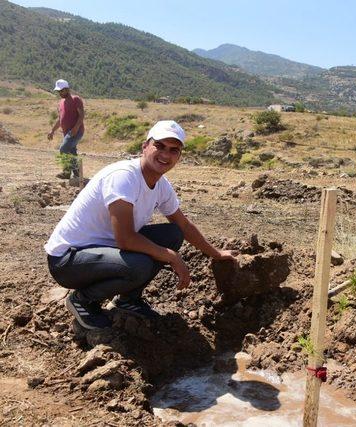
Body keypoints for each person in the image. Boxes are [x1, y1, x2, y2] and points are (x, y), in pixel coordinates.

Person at [45, 120, 237, 330]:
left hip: (102, 251)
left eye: (173, 150)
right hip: (68, 260)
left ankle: (128, 300)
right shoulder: (123, 177)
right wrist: (171, 256)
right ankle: (83, 300)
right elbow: (125, 239)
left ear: (179, 157)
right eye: (160, 146)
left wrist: (215, 253)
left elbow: (183, 224)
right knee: (140, 264)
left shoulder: (161, 185)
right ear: (145, 147)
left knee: (172, 234)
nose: (165, 154)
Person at [47, 79, 85, 179]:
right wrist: (52, 131)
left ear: (67, 89)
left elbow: (81, 115)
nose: (60, 93)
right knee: (71, 151)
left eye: (62, 90)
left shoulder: (76, 99)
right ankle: (77, 175)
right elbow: (60, 119)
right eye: (59, 91)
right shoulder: (61, 102)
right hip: (67, 132)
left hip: (76, 131)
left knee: (63, 148)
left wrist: (76, 128)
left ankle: (67, 172)